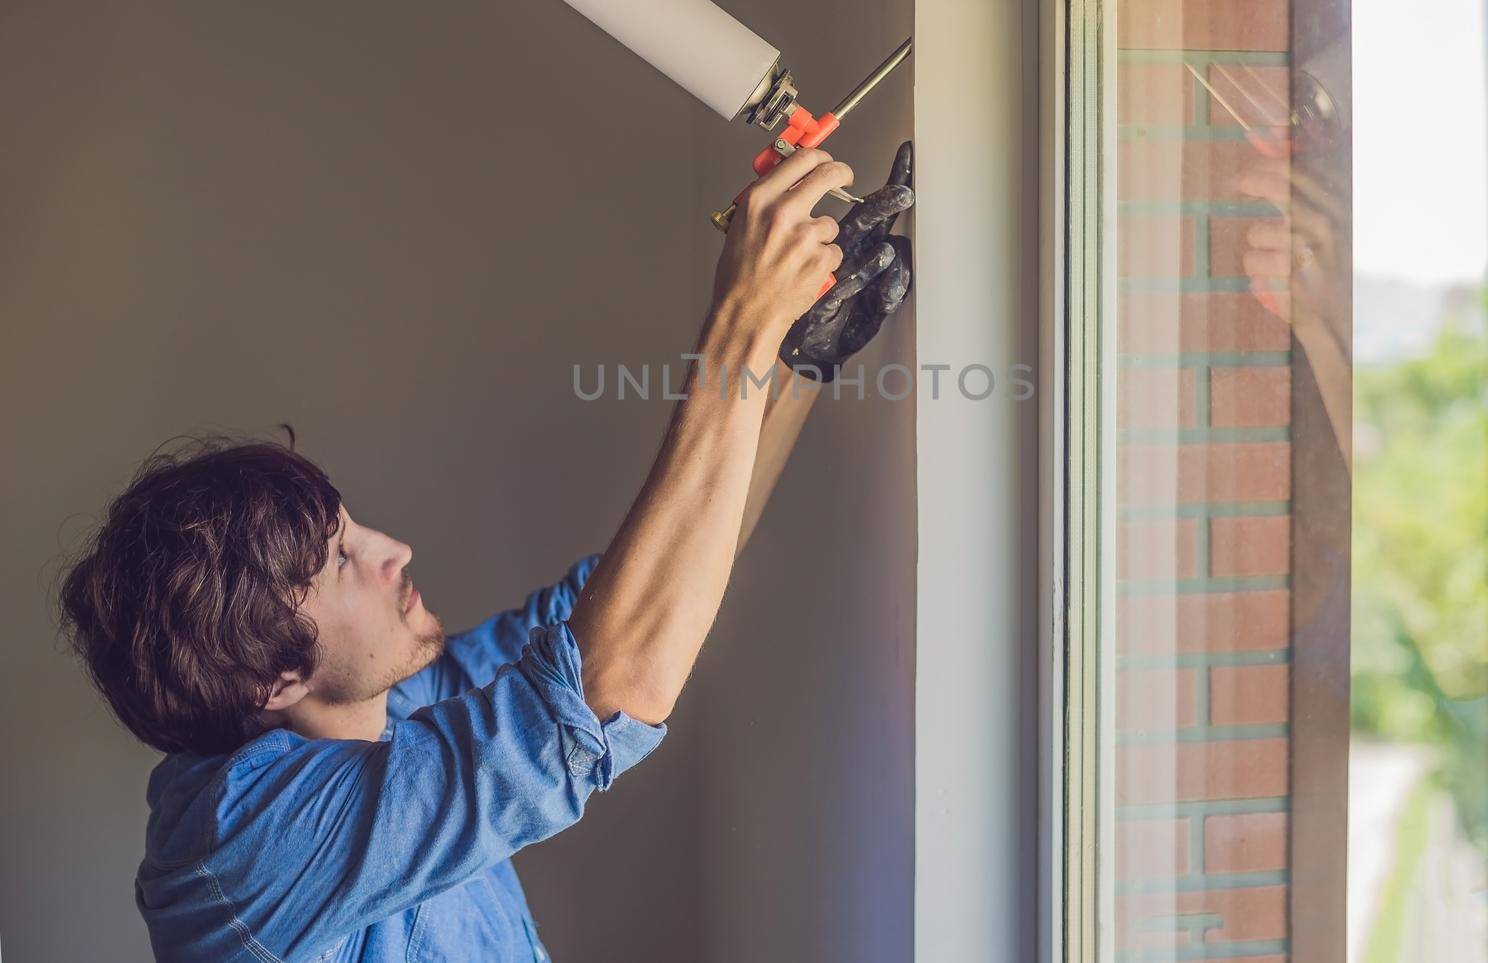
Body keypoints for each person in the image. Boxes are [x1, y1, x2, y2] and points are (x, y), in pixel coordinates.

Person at [57, 144, 914, 963]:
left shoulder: (376, 708)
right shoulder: (246, 842)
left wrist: (796, 359)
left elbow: (623, 612)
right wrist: (740, 326)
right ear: (269, 682)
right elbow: (607, 689)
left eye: (355, 530)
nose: (394, 551)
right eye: (341, 562)